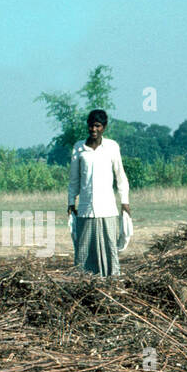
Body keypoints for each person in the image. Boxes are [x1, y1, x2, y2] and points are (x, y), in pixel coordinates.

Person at [67, 109, 131, 277]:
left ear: (104, 127)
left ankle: (112, 281)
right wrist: (70, 203)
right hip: (85, 209)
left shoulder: (111, 147)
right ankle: (84, 281)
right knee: (83, 250)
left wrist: (124, 202)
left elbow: (120, 176)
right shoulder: (79, 148)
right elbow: (74, 180)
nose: (93, 130)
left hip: (107, 209)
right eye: (91, 126)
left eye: (97, 126)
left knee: (110, 247)